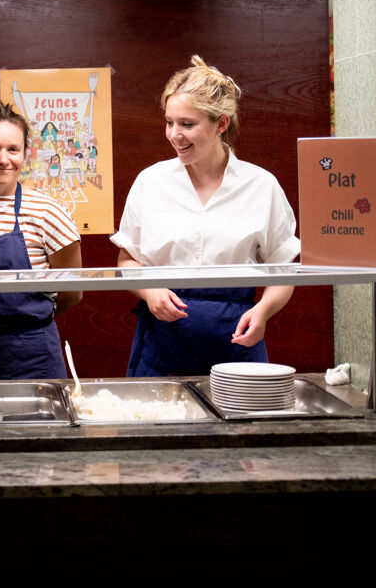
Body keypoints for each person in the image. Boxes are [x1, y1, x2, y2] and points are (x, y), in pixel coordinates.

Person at [111, 55, 300, 377]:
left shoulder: (261, 185)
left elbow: (284, 268)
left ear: (221, 124)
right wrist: (149, 291)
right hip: (162, 340)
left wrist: (263, 312)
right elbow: (127, 260)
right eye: (170, 122)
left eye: (187, 124)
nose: (174, 134)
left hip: (235, 335)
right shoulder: (151, 181)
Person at [0, 102, 83, 380]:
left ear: (25, 154)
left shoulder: (47, 212)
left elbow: (73, 291)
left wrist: (29, 321)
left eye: (13, 149)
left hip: (30, 354)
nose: (3, 159)